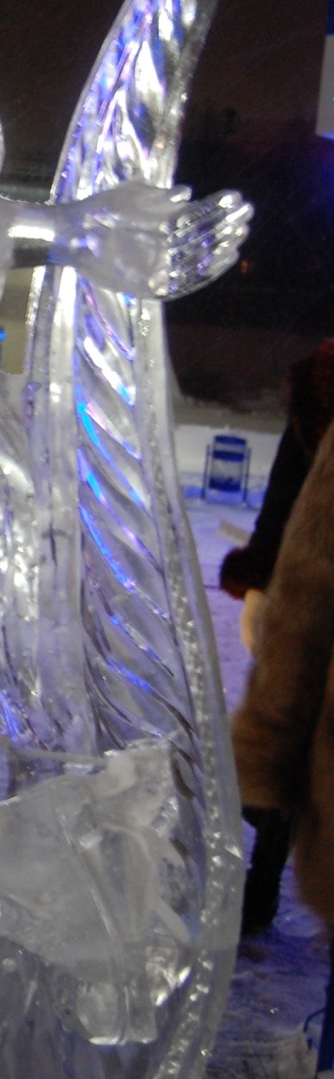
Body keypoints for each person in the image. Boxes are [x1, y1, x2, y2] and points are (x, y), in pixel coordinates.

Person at [220, 340, 334, 932]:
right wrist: (261, 584)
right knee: (291, 747)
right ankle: (261, 885)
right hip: (315, 622)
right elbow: (286, 502)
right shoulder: (324, 388)